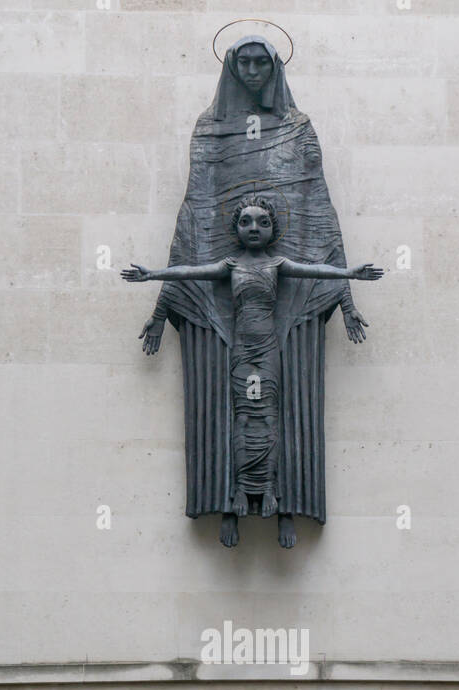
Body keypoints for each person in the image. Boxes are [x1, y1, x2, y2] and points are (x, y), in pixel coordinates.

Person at [133, 35, 377, 546]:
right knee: (236, 406)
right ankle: (228, 502)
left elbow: (319, 212)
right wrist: (159, 305)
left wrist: (349, 299)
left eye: (259, 61)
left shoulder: (298, 128)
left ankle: (286, 502)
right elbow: (193, 216)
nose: (250, 69)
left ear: (274, 65)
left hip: (284, 311)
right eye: (241, 60)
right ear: (229, 63)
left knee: (278, 404)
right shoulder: (209, 129)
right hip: (228, 309)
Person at [123, 198, 383, 545]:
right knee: (244, 417)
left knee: (269, 416)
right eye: (246, 222)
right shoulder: (230, 264)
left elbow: (317, 270)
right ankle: (241, 495)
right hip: (242, 350)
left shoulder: (278, 263)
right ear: (236, 229)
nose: (254, 228)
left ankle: (274, 495)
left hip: (268, 349)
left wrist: (351, 275)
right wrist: (152, 274)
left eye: (262, 222)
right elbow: (188, 272)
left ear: (274, 228)